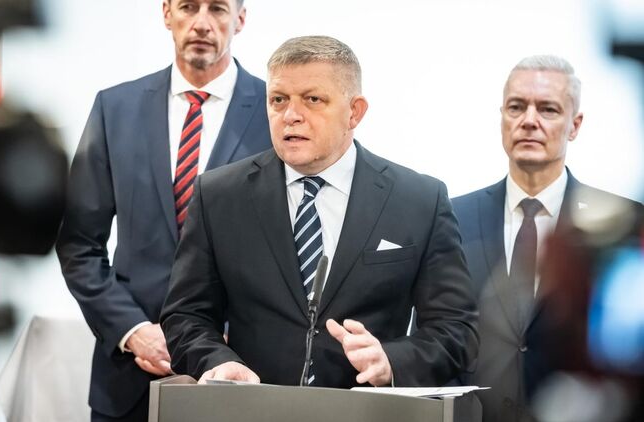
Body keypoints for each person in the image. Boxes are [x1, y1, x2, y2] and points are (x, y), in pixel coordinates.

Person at [160, 35, 479, 389]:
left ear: (354, 112)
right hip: (254, 409)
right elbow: (185, 316)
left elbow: (456, 330)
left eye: (312, 100)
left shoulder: (419, 200)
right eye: (278, 100)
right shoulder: (219, 196)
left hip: (367, 410)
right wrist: (218, 362)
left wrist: (391, 362)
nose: (291, 116)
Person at [55, 0, 271, 420]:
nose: (202, 23)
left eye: (218, 9)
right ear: (167, 13)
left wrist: (228, 338)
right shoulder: (115, 108)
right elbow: (79, 245)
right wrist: (133, 331)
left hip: (238, 372)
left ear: (240, 19)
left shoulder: (276, 112)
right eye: (189, 7)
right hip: (128, 377)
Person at [452, 55, 644, 422]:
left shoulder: (621, 225)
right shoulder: (452, 218)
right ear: (502, 118)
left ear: (575, 125)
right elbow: (437, 333)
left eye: (548, 109)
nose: (529, 120)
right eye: (516, 107)